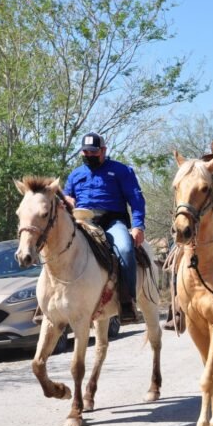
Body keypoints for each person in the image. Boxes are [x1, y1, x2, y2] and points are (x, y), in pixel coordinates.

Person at [63, 132, 146, 322]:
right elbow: (67, 197)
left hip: (112, 221)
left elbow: (136, 199)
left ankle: (127, 301)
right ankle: (47, 305)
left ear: (103, 150)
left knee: (125, 249)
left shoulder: (121, 170)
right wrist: (67, 200)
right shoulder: (75, 174)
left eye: (93, 152)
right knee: (58, 245)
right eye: (86, 152)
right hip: (82, 221)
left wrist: (138, 226)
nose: (89, 155)